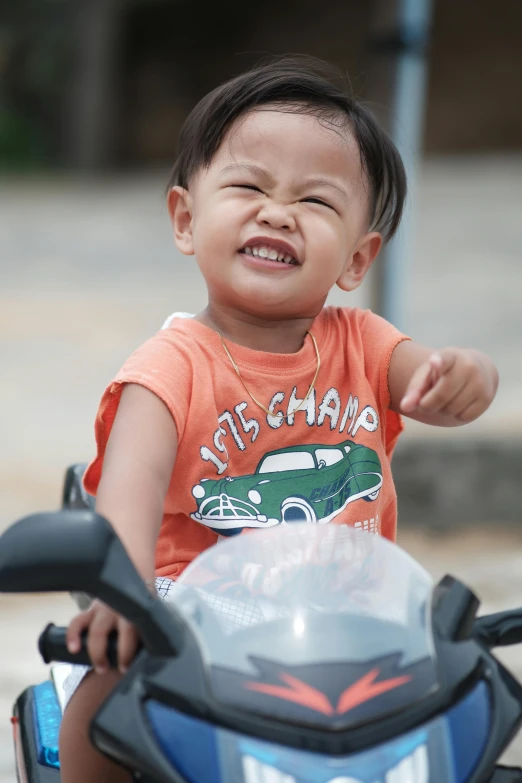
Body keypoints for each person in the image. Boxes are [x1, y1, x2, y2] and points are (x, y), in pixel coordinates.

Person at [59, 56, 498, 782]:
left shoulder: (363, 342)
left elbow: (434, 373)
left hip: (350, 618)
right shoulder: (169, 368)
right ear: (185, 219)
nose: (277, 211)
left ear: (357, 259)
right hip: (192, 621)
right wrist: (124, 598)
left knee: (462, 701)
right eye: (248, 185)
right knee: (108, 689)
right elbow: (124, 501)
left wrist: (467, 376)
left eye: (316, 202)